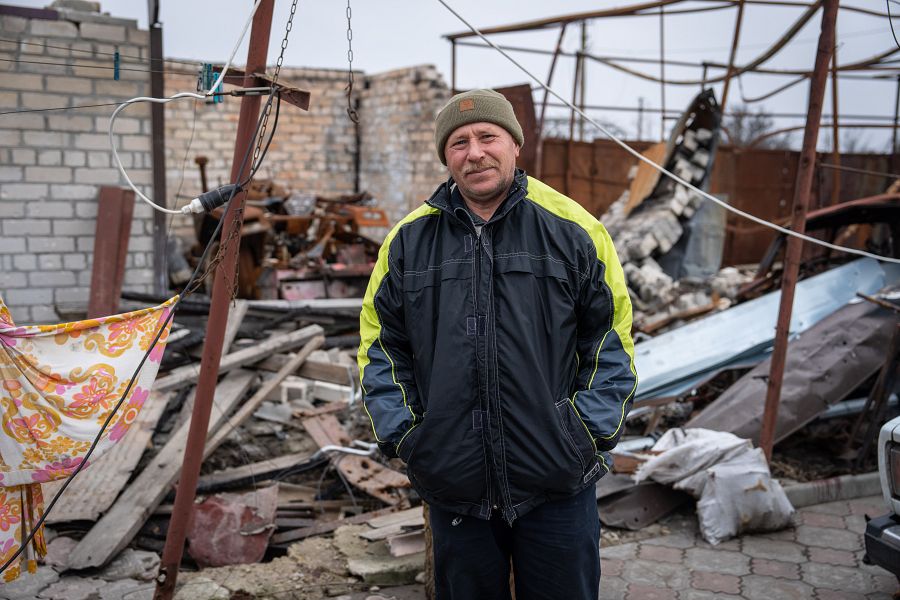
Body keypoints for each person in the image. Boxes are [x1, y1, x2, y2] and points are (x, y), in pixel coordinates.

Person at [357, 89, 636, 600]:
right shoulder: (407, 242)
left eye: (487, 137)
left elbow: (610, 340)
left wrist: (583, 435)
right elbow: (381, 348)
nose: (475, 153)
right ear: (446, 157)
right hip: (455, 484)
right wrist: (412, 440)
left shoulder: (574, 229)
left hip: (557, 481)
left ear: (514, 144)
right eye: (459, 142)